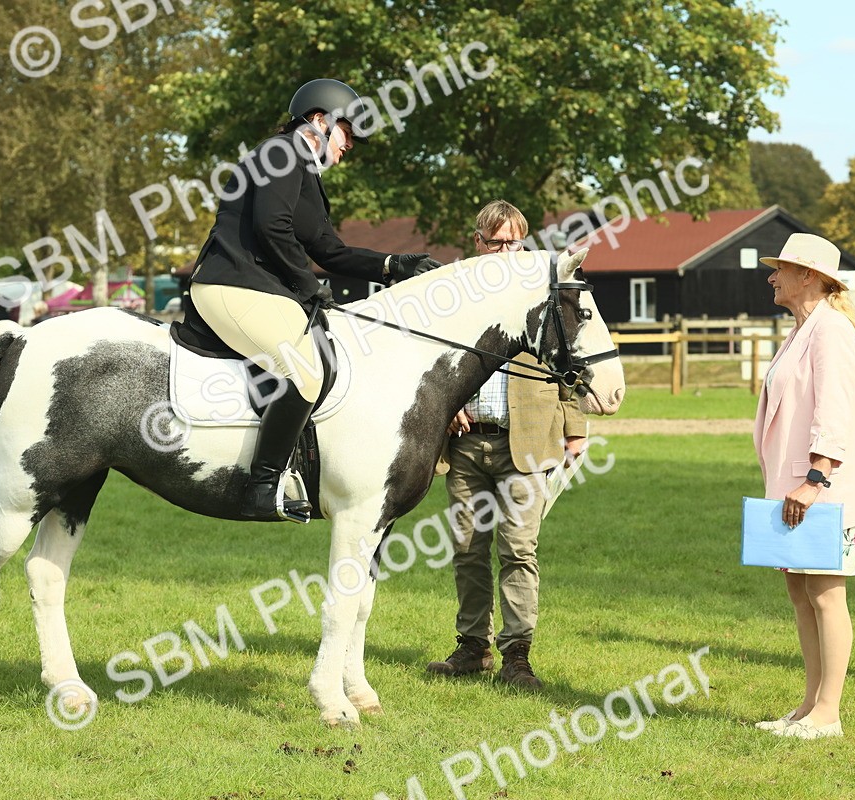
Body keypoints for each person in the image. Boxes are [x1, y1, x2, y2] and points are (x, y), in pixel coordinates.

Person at [188, 78, 442, 521]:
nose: (350, 146)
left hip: (255, 288)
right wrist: (309, 285)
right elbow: (272, 228)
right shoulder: (281, 152)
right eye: (347, 133)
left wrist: (393, 265)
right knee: (305, 371)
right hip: (229, 284)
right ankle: (262, 487)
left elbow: (330, 249)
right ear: (319, 120)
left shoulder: (301, 169)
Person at [425, 201, 586, 688]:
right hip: (466, 441)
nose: (506, 251)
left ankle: (517, 655)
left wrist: (575, 425)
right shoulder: (453, 296)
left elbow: (569, 353)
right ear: (477, 243)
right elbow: (433, 358)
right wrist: (445, 402)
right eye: (496, 242)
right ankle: (472, 648)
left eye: (514, 242)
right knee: (468, 549)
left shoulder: (542, 288)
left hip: (530, 439)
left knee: (519, 548)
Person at [752, 233, 855, 739]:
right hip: (795, 487)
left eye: (780, 269)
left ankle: (828, 712)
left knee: (827, 595)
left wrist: (815, 478)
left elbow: (834, 409)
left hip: (824, 488)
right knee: (799, 591)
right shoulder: (802, 329)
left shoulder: (830, 330)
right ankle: (809, 706)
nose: (772, 276)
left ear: (808, 275)